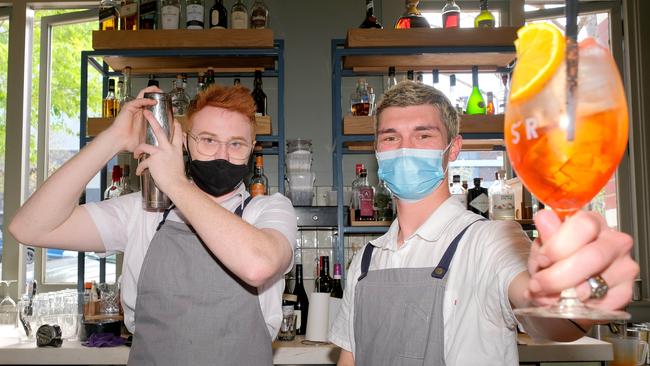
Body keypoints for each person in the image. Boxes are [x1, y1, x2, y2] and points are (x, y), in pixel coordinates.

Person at [330, 81, 638, 366]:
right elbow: (350, 357)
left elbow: (546, 310)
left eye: (423, 135)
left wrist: (572, 289)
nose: (404, 148)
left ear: (453, 148)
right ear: (377, 151)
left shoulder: (492, 240)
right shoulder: (366, 260)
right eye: (390, 137)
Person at [9, 84, 296, 365]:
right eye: (208, 140)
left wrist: (174, 182)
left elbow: (258, 265)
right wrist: (114, 139)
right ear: (184, 142)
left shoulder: (269, 210)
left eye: (236, 144)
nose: (222, 155)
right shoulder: (143, 211)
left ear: (252, 149)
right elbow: (29, 227)